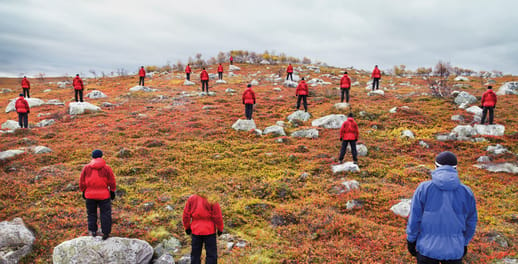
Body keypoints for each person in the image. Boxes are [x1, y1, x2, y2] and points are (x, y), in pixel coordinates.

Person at [406, 151, 477, 264]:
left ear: (436, 167)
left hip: (426, 250)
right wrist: (464, 243)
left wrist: (411, 240)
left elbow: (415, 218)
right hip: (454, 251)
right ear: (455, 168)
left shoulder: (424, 188)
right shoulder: (466, 192)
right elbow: (471, 222)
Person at [79, 150, 117, 240]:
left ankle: (92, 231)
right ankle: (106, 233)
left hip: (90, 196)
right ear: (102, 156)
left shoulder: (86, 168)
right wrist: (112, 191)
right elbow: (112, 181)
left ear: (92, 157)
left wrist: (83, 191)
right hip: (104, 196)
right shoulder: (107, 168)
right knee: (105, 214)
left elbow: (82, 181)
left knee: (91, 213)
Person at [183, 192, 224, 264]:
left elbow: (186, 215)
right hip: (209, 231)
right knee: (211, 255)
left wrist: (187, 227)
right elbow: (217, 216)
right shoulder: (212, 199)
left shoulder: (192, 199)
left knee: (195, 255)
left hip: (196, 230)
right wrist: (220, 228)